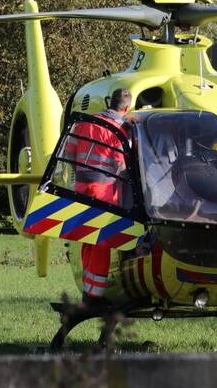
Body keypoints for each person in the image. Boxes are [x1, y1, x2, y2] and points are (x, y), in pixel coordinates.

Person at [70, 88, 133, 302]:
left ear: (110, 102)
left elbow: (69, 153)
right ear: (127, 107)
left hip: (81, 186)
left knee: (88, 238)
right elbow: (120, 165)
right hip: (103, 190)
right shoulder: (117, 129)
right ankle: (95, 296)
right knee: (102, 241)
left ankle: (88, 291)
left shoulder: (84, 122)